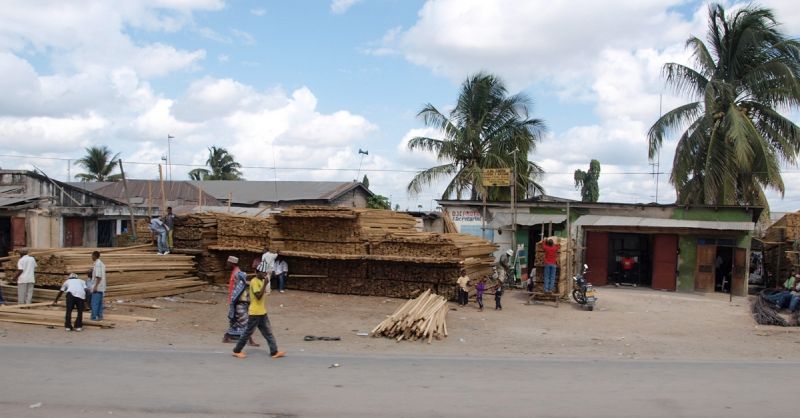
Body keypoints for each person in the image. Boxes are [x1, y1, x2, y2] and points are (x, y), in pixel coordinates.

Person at [232, 266, 285, 359]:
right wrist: (265, 284)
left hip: (262, 312)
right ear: (257, 272)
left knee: (268, 333)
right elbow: (258, 296)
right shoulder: (254, 281)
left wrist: (265, 284)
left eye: (266, 272)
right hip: (255, 313)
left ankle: (274, 352)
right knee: (248, 333)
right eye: (263, 272)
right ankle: (237, 350)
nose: (265, 274)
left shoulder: (261, 281)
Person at [223, 270, 259, 346]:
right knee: (247, 324)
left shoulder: (241, 286)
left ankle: (227, 336)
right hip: (240, 307)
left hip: (243, 307)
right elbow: (237, 298)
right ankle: (250, 341)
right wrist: (247, 300)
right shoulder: (239, 287)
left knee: (239, 324)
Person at [90, 251, 106, 321]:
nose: (91, 257)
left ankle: (94, 317)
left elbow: (98, 276)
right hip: (101, 287)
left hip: (98, 286)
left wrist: (95, 286)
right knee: (99, 303)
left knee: (94, 303)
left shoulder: (98, 264)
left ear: (95, 256)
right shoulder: (101, 263)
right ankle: (100, 316)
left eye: (92, 256)